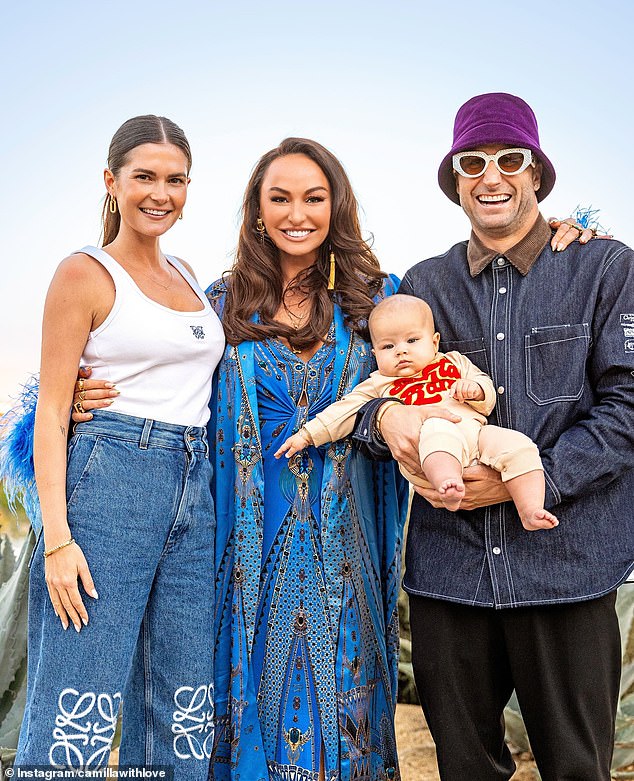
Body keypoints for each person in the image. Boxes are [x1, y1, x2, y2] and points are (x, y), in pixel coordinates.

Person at [374, 93, 634, 780]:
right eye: (473, 162)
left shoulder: (604, 269)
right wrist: (387, 418)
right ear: (455, 179)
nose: (492, 176)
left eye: (510, 159)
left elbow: (628, 407)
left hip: (566, 571)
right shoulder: (422, 287)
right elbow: (380, 395)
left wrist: (535, 475)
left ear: (537, 174)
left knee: (578, 770)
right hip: (449, 579)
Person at [15, 115, 224, 777]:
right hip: (111, 481)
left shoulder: (190, 274)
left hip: (195, 483)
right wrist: (56, 538)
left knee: (183, 686)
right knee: (83, 682)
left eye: (175, 179)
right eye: (144, 177)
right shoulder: (85, 273)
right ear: (112, 182)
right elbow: (51, 411)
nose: (160, 192)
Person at [276, 293, 558, 530]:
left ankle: (530, 509)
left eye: (412, 341)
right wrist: (307, 435)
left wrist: (476, 390)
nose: (401, 351)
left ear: (434, 342)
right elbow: (343, 412)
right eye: (389, 346)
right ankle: (447, 484)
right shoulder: (379, 384)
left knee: (519, 446)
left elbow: (486, 390)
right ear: (375, 354)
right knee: (437, 431)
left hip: (477, 433)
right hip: (434, 441)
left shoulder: (454, 362)